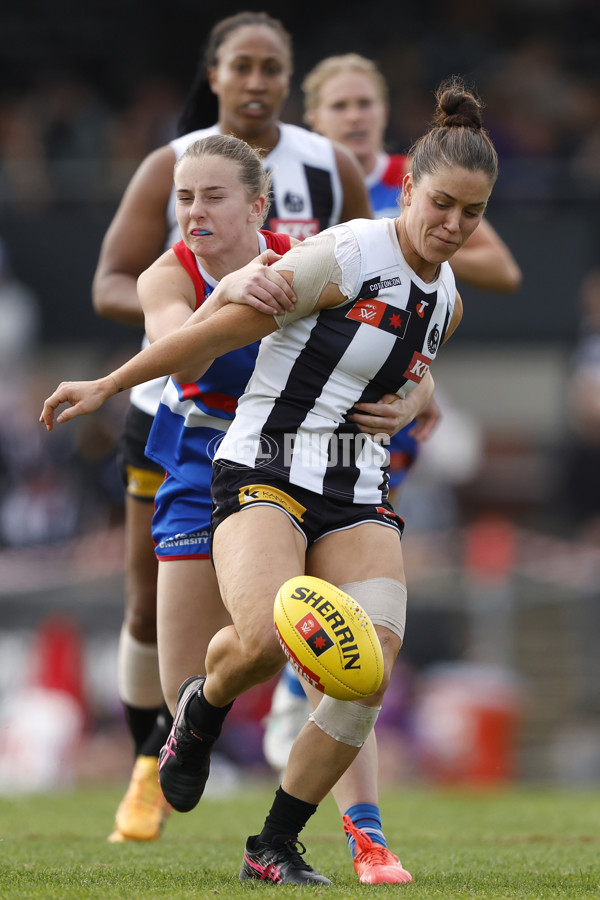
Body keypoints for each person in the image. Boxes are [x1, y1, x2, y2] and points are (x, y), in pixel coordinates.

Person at [42, 75, 499, 884]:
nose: (455, 226)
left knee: (366, 668)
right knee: (260, 643)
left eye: (473, 212)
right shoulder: (347, 253)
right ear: (407, 188)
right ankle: (199, 714)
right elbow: (215, 332)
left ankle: (275, 845)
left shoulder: (449, 296)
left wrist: (417, 398)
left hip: (357, 492)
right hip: (265, 470)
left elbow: (408, 366)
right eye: (442, 205)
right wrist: (108, 387)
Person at [91, 11, 372, 844]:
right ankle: (156, 757)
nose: (255, 82)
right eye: (239, 67)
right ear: (213, 75)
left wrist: (412, 391)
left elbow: (390, 290)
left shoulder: (325, 175)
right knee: (150, 621)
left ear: (289, 78)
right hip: (179, 427)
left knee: (337, 644)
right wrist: (200, 311)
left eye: (270, 68)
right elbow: (129, 291)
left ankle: (346, 831)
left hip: (292, 444)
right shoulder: (168, 182)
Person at [262, 52, 523, 776]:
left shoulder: (410, 193)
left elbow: (492, 276)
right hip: (275, 413)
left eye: (365, 104)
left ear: (383, 118)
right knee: (255, 618)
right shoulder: (288, 190)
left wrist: (423, 390)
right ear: (312, 120)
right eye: (339, 106)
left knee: (361, 612)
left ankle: (336, 793)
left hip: (360, 437)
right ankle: (223, 718)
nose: (354, 116)